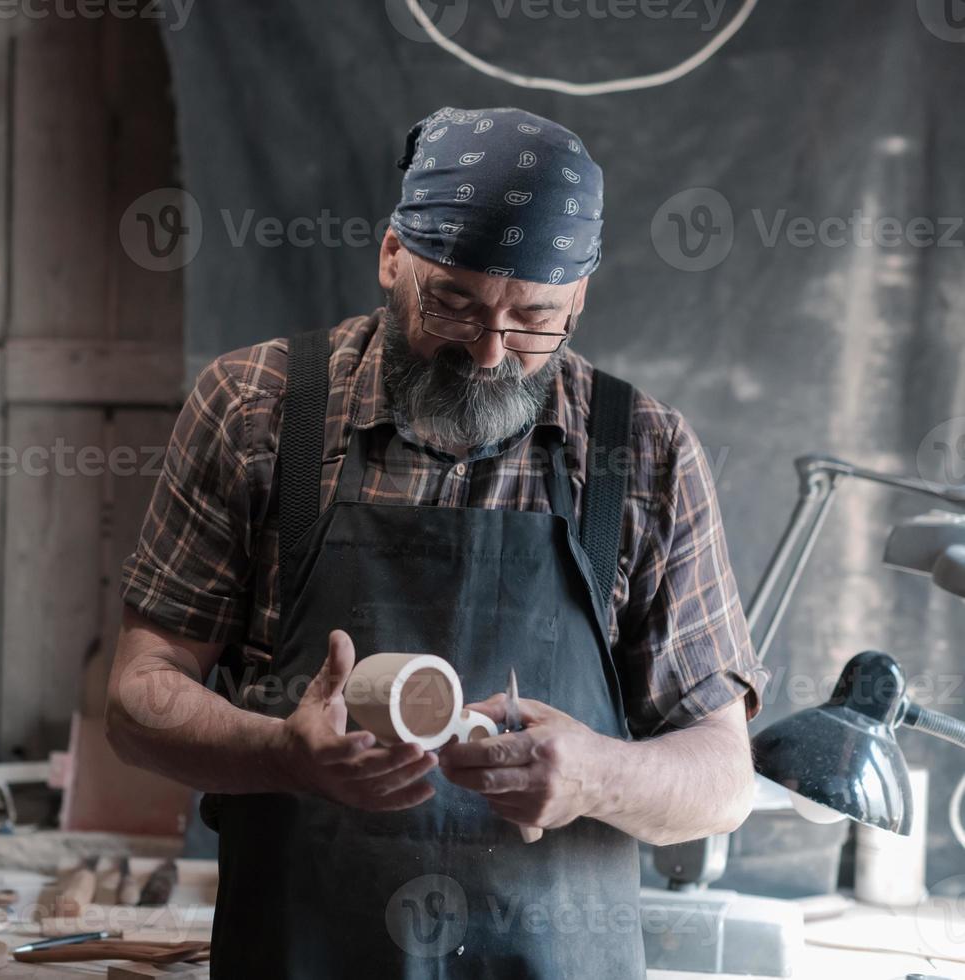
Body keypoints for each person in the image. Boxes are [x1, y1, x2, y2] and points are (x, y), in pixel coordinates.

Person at [106, 106, 764, 978]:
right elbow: (137, 701)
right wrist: (280, 754)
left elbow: (725, 779)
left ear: (580, 298)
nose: (491, 353)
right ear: (391, 257)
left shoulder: (643, 452)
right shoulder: (255, 407)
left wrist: (594, 777)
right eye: (454, 305)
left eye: (534, 319)